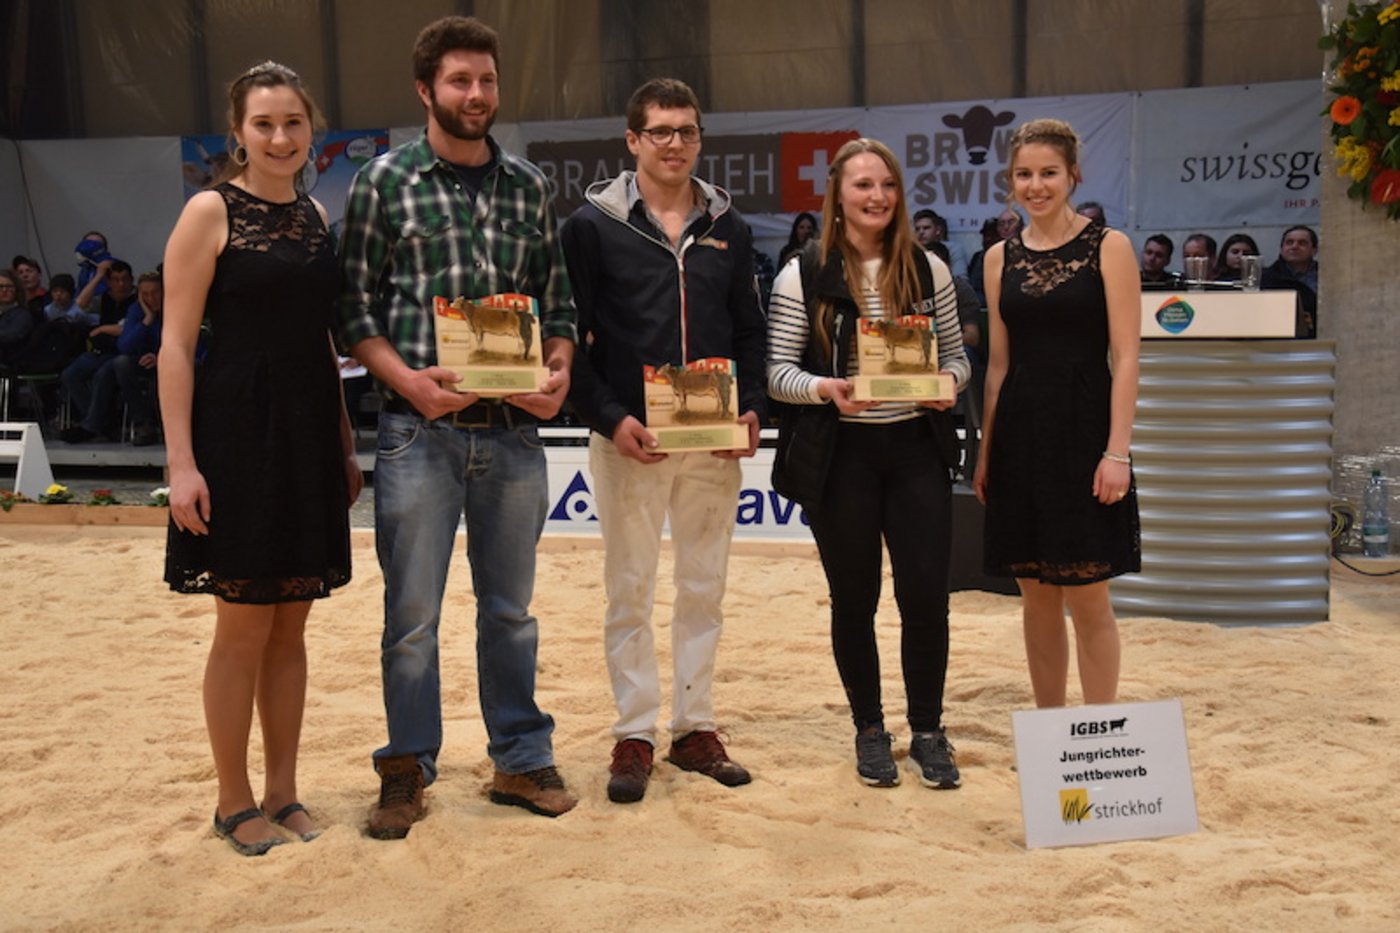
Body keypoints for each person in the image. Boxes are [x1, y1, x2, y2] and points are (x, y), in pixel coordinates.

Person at [337, 14, 579, 837]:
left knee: (510, 610)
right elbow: (353, 307)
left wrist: (558, 370)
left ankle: (518, 757)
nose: (476, 95)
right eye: (459, 81)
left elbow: (559, 301)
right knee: (412, 618)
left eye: (486, 80)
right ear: (425, 90)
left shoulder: (529, 187)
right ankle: (406, 767)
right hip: (417, 434)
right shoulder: (382, 183)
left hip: (513, 433)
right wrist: (408, 381)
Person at [160, 61, 359, 857]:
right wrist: (181, 463)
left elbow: (321, 338)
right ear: (238, 133)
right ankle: (232, 798)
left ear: (312, 128)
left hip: (309, 427)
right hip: (238, 429)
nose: (280, 137)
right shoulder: (208, 211)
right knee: (241, 626)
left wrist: (343, 442)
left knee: (292, 625)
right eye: (263, 124)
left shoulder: (314, 213)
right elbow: (175, 345)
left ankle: (283, 790)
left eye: (293, 123)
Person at [561, 77, 766, 805]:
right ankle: (635, 731)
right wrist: (612, 416)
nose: (674, 142)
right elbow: (570, 338)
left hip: (712, 441)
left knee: (704, 586)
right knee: (630, 587)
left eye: (686, 130)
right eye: (660, 131)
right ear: (632, 141)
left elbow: (749, 326)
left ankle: (695, 726)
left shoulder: (728, 226)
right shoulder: (590, 226)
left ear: (700, 139)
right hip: (629, 439)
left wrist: (752, 408)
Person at [768, 138, 971, 789]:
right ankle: (869, 728)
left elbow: (960, 359)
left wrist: (949, 381)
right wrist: (825, 389)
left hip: (917, 451)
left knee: (925, 599)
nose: (876, 196)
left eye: (886, 184)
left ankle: (929, 731)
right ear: (838, 194)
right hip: (841, 456)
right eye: (862, 185)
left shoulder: (929, 267)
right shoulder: (803, 272)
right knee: (854, 600)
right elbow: (777, 373)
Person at [974, 118, 1141, 709]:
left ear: (1073, 175)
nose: (1035, 185)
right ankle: (1052, 733)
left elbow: (1125, 358)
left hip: (1084, 436)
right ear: (1010, 180)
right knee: (1036, 595)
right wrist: (986, 451)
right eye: (1024, 174)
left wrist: (1116, 451)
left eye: (1048, 173)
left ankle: (1098, 733)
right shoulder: (998, 259)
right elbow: (997, 365)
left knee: (1088, 596)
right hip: (1020, 438)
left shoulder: (1110, 247)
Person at [60, 259, 135, 440]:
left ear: (132, 280)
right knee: (70, 374)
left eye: (125, 279)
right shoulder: (103, 300)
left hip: (124, 353)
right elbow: (79, 306)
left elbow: (127, 328)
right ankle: (101, 423)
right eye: (116, 279)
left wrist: (103, 329)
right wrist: (99, 276)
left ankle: (91, 426)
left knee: (103, 374)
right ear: (108, 282)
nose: (121, 284)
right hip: (100, 351)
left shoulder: (138, 299)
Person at [1264, 225, 1319, 337]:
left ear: (1314, 250)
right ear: (1281, 248)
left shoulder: (1327, 275)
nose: (1294, 246)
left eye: (1302, 243)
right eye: (1289, 242)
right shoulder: (1267, 277)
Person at [913, 208, 970, 277]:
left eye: (926, 228)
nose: (921, 232)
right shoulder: (912, 251)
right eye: (917, 229)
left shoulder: (953, 249)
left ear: (938, 230)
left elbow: (961, 278)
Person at [12, 256, 47, 321]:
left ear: (39, 275)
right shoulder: (17, 303)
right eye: (20, 272)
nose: (25, 275)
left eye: (29, 271)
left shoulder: (49, 298)